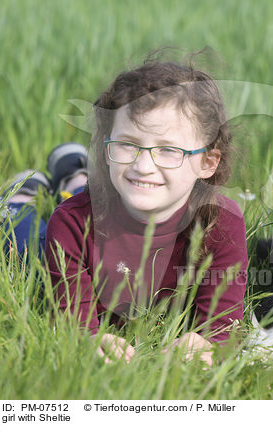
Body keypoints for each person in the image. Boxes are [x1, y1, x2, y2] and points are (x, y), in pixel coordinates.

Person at [44, 58, 248, 365]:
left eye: (168, 150)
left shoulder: (221, 225)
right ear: (106, 145)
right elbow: (73, 325)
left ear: (207, 162)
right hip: (75, 210)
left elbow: (222, 331)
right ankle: (26, 190)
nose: (143, 166)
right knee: (22, 237)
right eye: (127, 144)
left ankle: (71, 168)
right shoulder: (72, 223)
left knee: (84, 184)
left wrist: (205, 346)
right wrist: (87, 339)